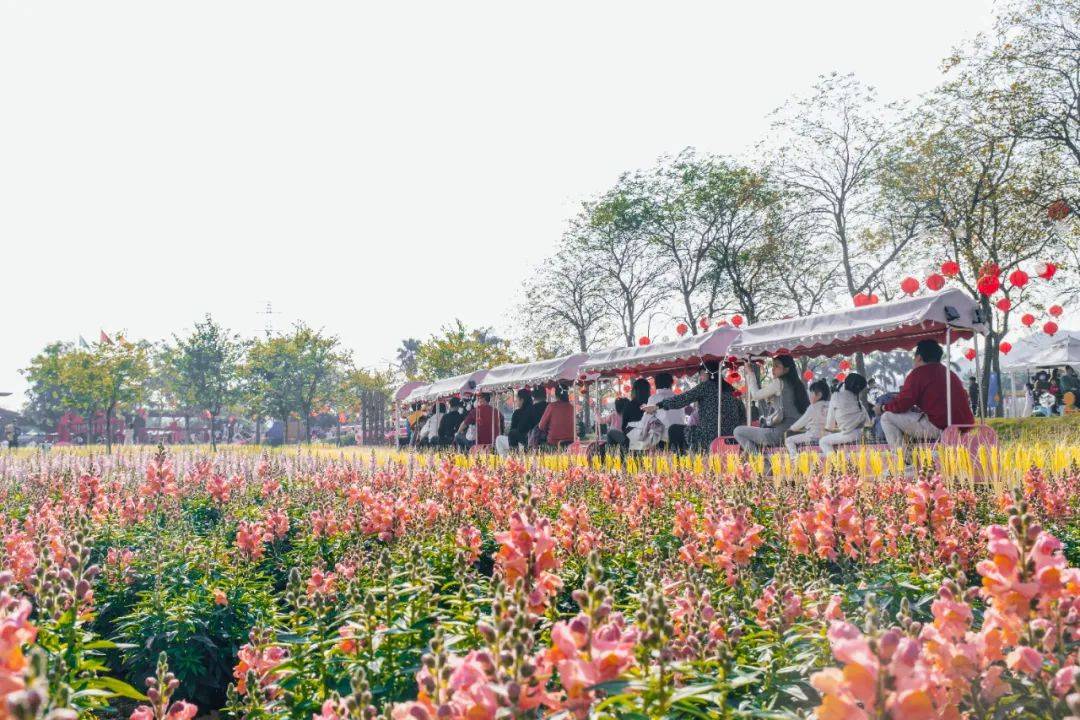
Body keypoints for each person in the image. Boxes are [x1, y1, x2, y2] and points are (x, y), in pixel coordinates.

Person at [876, 339, 974, 450]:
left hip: (942, 428)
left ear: (919, 357)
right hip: (964, 428)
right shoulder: (950, 373)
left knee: (886, 417)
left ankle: (903, 461)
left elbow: (902, 405)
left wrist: (883, 408)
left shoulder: (918, 374)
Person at [645, 361, 745, 451]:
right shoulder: (732, 390)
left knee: (674, 429)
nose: (700, 378)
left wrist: (658, 406)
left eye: (701, 374)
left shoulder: (705, 386)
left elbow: (682, 399)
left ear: (706, 373)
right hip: (732, 437)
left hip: (709, 437)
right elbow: (743, 415)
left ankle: (681, 463)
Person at [732, 355, 810, 453]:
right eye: (773, 366)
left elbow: (755, 395)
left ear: (786, 369)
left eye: (777, 366)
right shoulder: (799, 385)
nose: (773, 369)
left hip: (779, 435)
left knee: (738, 431)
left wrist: (750, 373)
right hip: (797, 434)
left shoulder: (779, 382)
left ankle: (758, 460)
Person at [820, 373, 870, 454]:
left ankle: (834, 464)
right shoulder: (857, 400)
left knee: (823, 441)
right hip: (860, 433)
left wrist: (829, 428)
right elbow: (867, 422)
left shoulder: (836, 396)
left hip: (849, 434)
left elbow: (830, 423)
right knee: (842, 444)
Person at [785, 379, 830, 457]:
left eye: (810, 394)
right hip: (827, 435)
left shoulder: (813, 407)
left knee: (789, 440)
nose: (809, 396)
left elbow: (801, 422)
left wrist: (792, 428)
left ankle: (794, 458)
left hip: (813, 436)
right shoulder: (830, 405)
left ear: (819, 395)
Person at [606, 379, 650, 450]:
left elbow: (624, 427)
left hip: (632, 441)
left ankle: (610, 457)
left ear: (635, 391)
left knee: (610, 433)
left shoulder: (630, 405)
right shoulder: (651, 404)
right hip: (650, 439)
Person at [649, 373, 686, 452]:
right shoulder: (678, 397)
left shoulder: (653, 398)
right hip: (680, 437)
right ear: (671, 383)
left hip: (663, 440)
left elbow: (650, 421)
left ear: (656, 384)